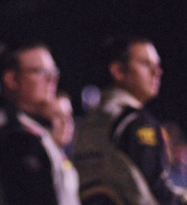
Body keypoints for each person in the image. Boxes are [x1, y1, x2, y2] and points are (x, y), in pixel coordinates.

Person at [73, 35, 187, 205]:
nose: (157, 72)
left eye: (157, 65)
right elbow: (156, 191)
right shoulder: (136, 121)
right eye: (146, 63)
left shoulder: (90, 121)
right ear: (118, 71)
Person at [0, 40, 81, 205]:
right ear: (11, 80)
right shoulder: (14, 136)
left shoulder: (19, 127)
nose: (52, 79)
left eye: (54, 71)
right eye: (41, 71)